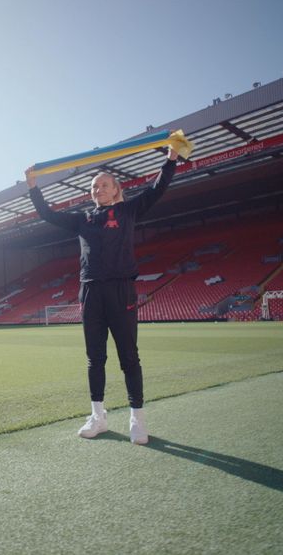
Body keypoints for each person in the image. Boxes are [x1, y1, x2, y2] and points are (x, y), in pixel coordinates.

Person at [25, 146, 179, 443]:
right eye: (94, 186)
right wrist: (33, 186)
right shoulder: (82, 218)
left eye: (104, 185)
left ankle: (138, 419)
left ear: (115, 189)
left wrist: (171, 159)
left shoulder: (127, 210)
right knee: (95, 358)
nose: (98, 189)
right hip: (91, 291)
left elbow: (157, 189)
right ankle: (98, 417)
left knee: (129, 357)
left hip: (121, 290)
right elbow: (46, 214)